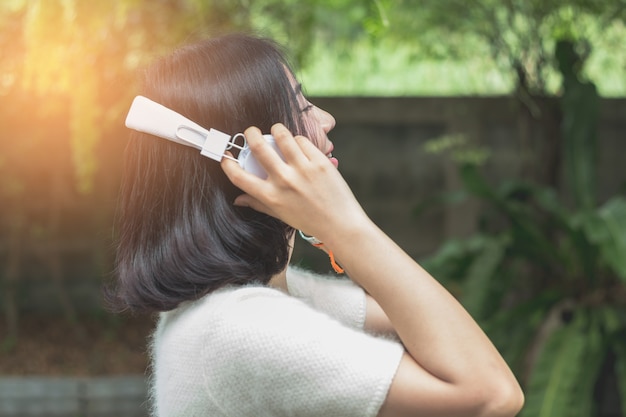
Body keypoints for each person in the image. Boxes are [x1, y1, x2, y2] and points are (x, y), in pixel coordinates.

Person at [111, 33, 524, 417]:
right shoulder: (243, 330)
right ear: (245, 156)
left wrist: (338, 229)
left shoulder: (247, 304)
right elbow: (494, 395)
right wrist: (345, 224)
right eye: (301, 107)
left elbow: (433, 326)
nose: (326, 120)